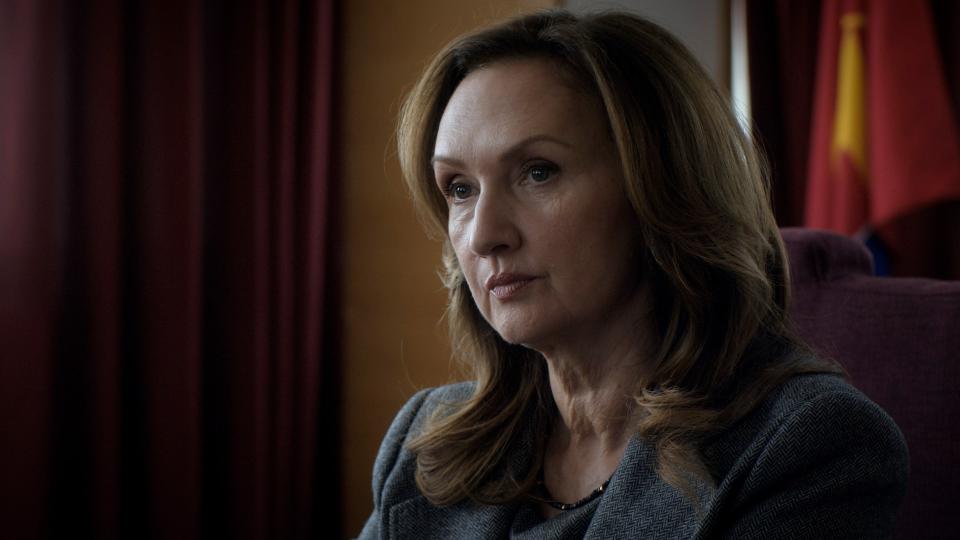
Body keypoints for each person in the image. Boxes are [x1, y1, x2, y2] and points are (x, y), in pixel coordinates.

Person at [359, 10, 908, 539]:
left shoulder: (806, 445)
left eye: (537, 172)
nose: (483, 235)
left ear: (661, 190)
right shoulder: (427, 439)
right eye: (459, 188)